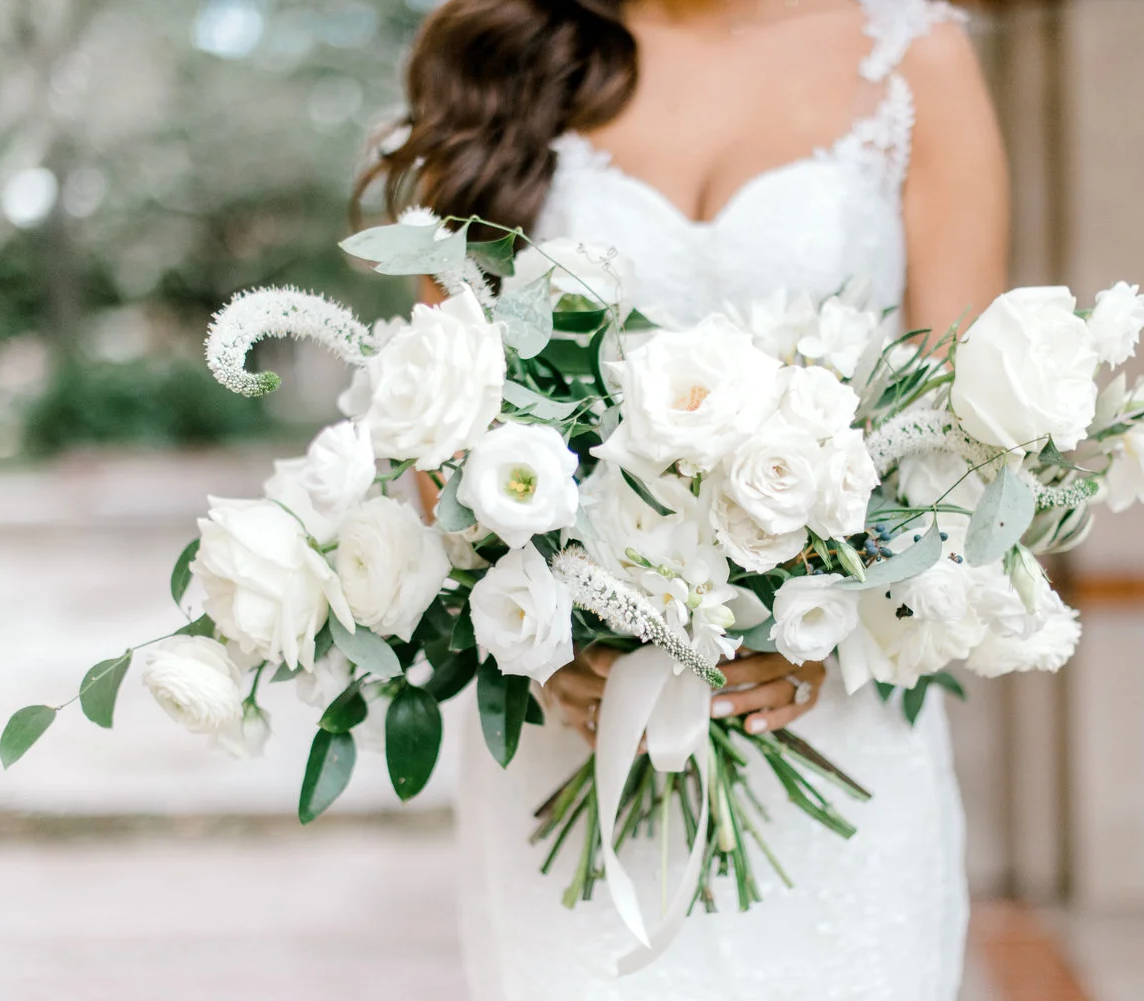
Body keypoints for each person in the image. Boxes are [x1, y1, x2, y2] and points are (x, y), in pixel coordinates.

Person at [356, 0, 1008, 995]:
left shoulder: (915, 55)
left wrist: (832, 616)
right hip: (569, 723)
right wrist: (539, 637)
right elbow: (439, 406)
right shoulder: (506, 47)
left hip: (832, 709)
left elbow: (958, 426)